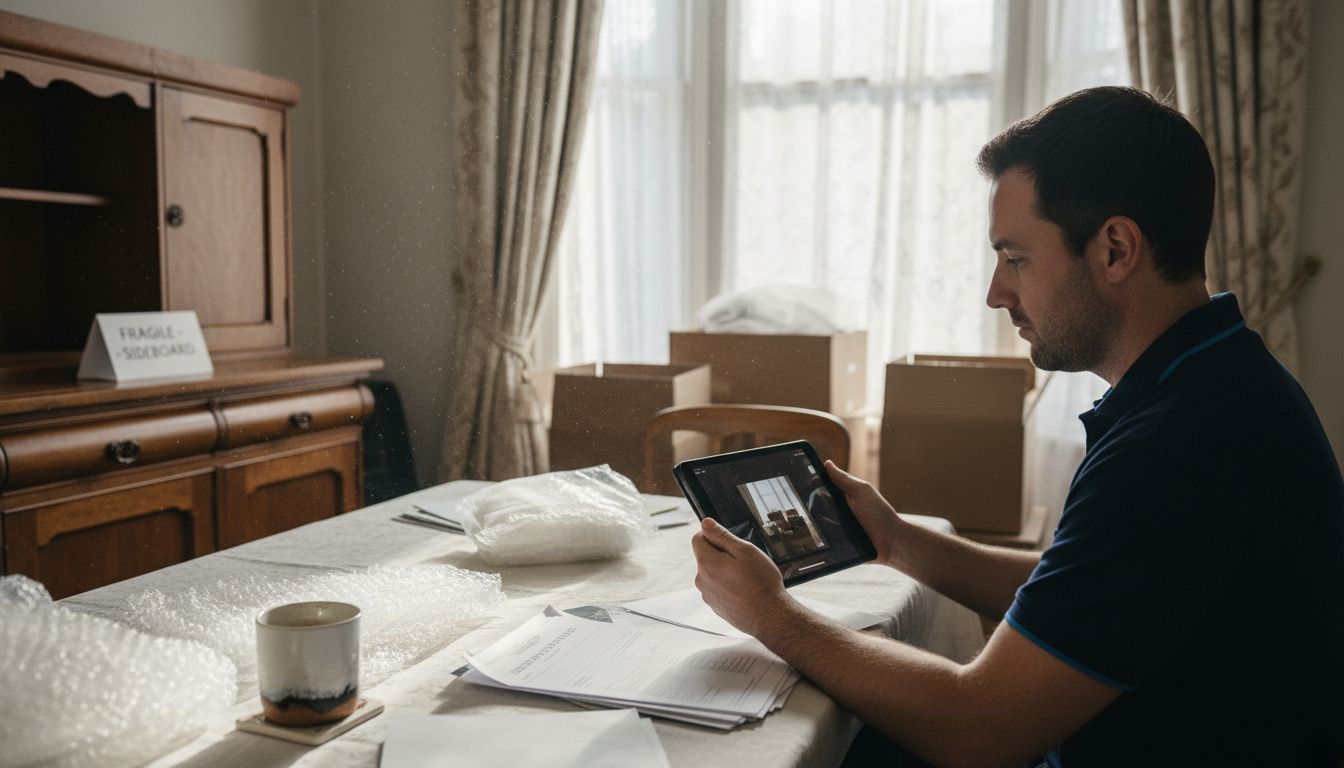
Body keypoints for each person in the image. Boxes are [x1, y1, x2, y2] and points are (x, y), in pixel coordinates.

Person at [691, 86, 1344, 767]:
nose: (996, 292)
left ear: (1116, 249)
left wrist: (769, 614)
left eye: (1016, 257)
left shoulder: (1174, 449)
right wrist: (900, 541)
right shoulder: (1216, 379)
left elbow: (978, 731)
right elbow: (1087, 588)